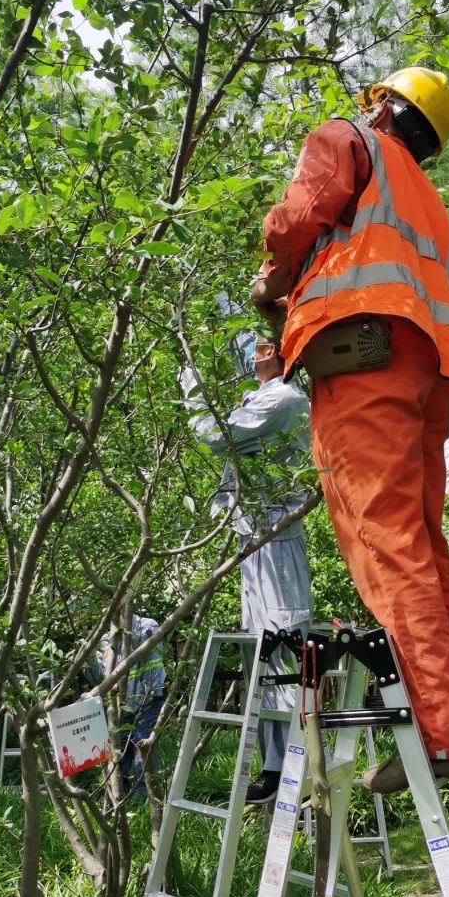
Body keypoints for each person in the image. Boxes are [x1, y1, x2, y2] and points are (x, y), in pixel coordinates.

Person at [252, 65, 449, 791]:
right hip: (425, 373)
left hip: (364, 365)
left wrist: (273, 281)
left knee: (383, 542)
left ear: (381, 106)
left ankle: (440, 735)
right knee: (422, 545)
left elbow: (295, 219)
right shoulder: (430, 205)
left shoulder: (346, 138)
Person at [182, 335, 313, 805]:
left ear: (282, 354)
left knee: (281, 646)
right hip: (255, 536)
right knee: (264, 652)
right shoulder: (263, 395)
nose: (250, 352)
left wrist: (193, 387)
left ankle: (291, 767)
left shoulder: (282, 397)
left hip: (276, 537)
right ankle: (274, 765)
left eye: (260, 346)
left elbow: (217, 436)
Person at [98, 610, 167, 798]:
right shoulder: (104, 640)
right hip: (122, 706)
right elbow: (100, 676)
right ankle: (121, 802)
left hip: (149, 700)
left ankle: (147, 801)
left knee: (142, 751)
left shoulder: (147, 625)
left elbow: (144, 643)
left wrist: (119, 637)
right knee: (118, 756)